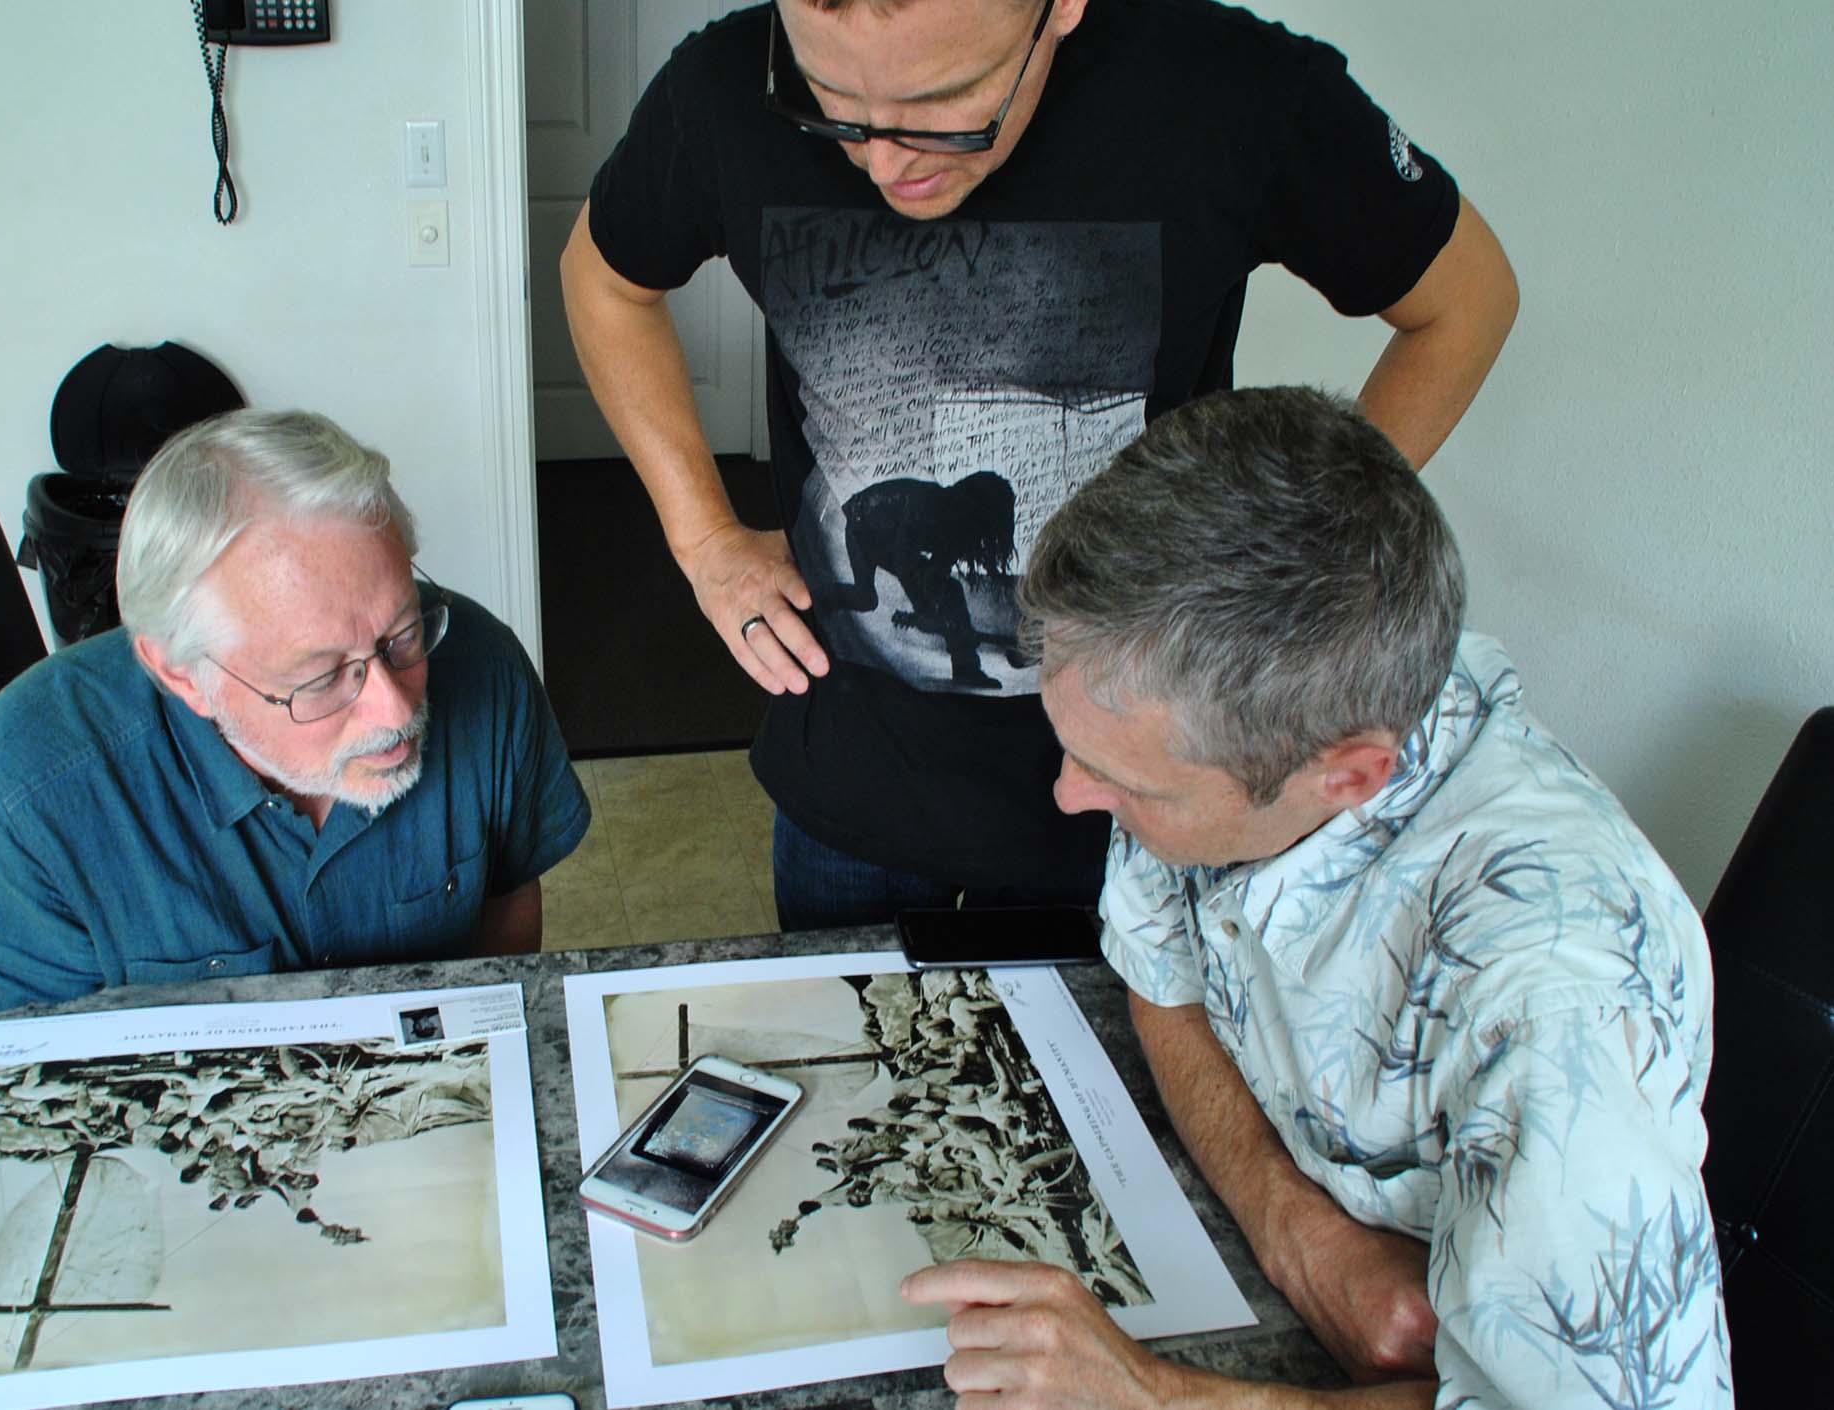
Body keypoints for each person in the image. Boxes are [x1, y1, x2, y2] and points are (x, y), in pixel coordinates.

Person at [561, 0, 1518, 930]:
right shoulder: (723, 85)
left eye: (945, 106)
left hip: (1135, 794)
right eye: (834, 106)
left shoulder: (1244, 92)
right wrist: (702, 539)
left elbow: (1464, 302)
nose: (885, 161)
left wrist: (1287, 570)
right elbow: (604, 279)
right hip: (857, 778)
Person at [900, 387, 1730, 1408]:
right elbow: (1162, 981)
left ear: (1344, 778)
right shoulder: (1237, 711)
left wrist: (1155, 1398)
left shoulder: (1553, 1002)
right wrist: (1294, 1229)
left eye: (1129, 786)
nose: (1073, 796)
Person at [0, 410, 591, 1016]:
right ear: (183, 675)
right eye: (320, 677)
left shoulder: (486, 670)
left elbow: (506, 904)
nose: (395, 705)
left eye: (401, 635)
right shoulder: (13, 805)